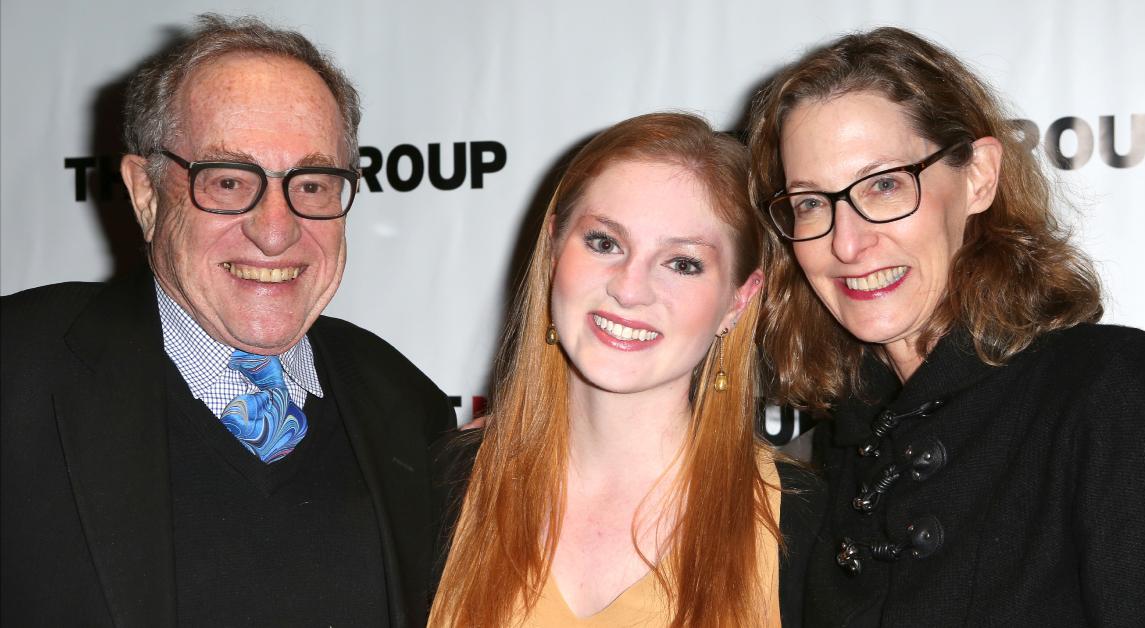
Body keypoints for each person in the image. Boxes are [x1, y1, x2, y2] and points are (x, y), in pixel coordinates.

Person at [1, 14, 452, 627]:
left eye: (313, 184)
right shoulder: (17, 368)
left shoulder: (408, 405)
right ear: (146, 193)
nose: (275, 230)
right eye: (230, 181)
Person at [746, 26, 1145, 626]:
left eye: (884, 185)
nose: (847, 243)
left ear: (979, 176)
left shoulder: (1102, 387)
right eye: (810, 202)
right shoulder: (831, 457)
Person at [428, 112, 824, 627]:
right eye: (604, 243)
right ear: (552, 250)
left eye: (682, 263)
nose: (629, 289)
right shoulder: (440, 487)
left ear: (738, 301)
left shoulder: (804, 525)